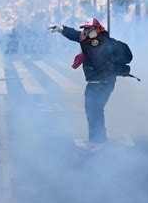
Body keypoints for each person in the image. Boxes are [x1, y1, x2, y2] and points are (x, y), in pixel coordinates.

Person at [49, 18, 133, 152]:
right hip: (97, 81)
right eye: (85, 29)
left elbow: (91, 50)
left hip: (102, 82)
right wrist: (63, 29)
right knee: (92, 110)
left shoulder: (99, 43)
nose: (85, 31)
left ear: (96, 30)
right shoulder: (93, 41)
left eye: (89, 29)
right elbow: (78, 36)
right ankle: (95, 140)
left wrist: (81, 42)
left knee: (95, 110)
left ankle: (99, 142)